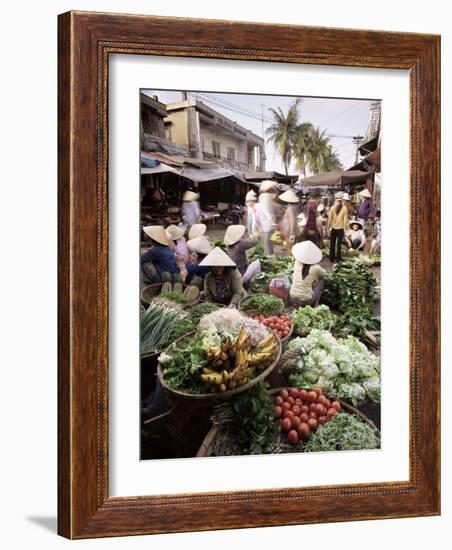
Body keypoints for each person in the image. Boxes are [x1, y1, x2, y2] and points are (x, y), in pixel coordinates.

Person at [290, 241, 327, 307]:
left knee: (310, 280)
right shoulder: (316, 268)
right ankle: (315, 306)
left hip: (292, 297)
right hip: (305, 301)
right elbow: (325, 275)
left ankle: (297, 305)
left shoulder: (297, 262)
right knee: (321, 281)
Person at [257, 180, 277, 255]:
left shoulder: (261, 196)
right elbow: (268, 211)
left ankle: (268, 256)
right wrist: (273, 222)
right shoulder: (267, 196)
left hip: (264, 223)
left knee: (267, 242)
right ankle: (268, 257)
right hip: (268, 224)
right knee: (268, 243)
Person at [327, 193, 348, 263]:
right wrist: (345, 229)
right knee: (339, 244)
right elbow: (345, 220)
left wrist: (328, 227)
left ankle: (331, 258)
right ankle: (338, 259)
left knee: (332, 243)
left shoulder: (332, 208)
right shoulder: (344, 208)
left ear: (336, 200)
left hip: (333, 228)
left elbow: (330, 219)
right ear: (342, 200)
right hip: (340, 228)